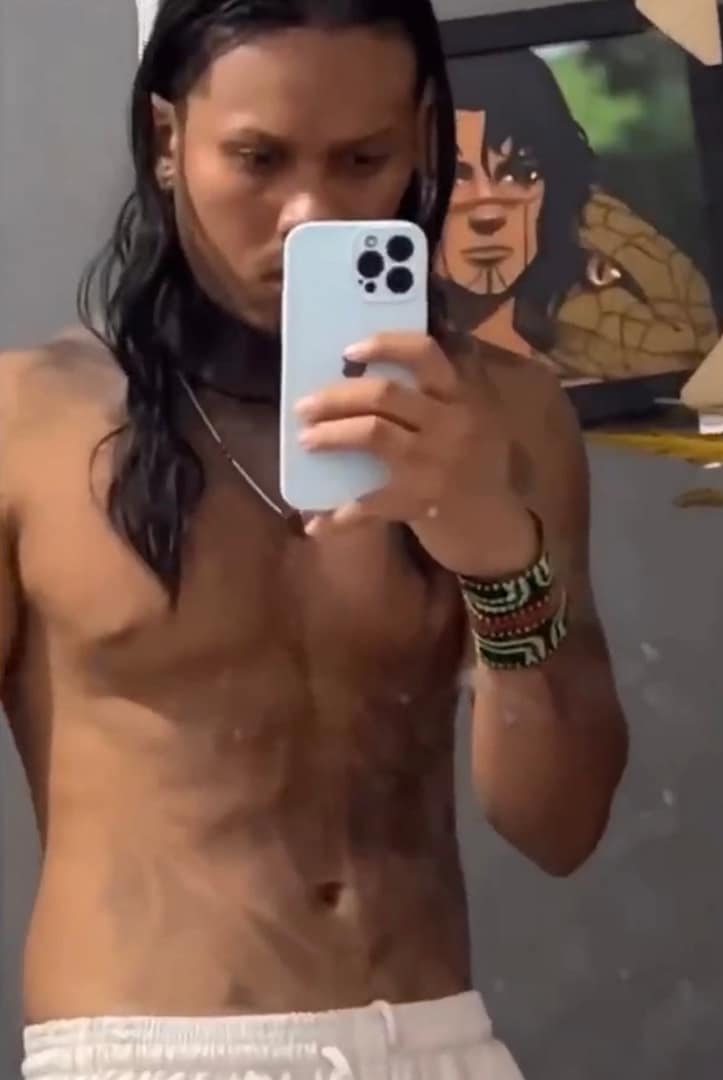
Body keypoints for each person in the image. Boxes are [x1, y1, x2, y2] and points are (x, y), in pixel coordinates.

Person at [0, 2, 627, 1078]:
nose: (308, 213)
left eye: (360, 160)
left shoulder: (502, 418)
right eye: (258, 159)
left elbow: (558, 824)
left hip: (430, 1041)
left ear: (420, 141)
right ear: (167, 140)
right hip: (149, 1049)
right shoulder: (29, 424)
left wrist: (495, 553)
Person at [436, 48, 719, 384]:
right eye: (453, 176)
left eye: (521, 173)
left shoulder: (598, 329)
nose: (488, 212)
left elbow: (700, 356)